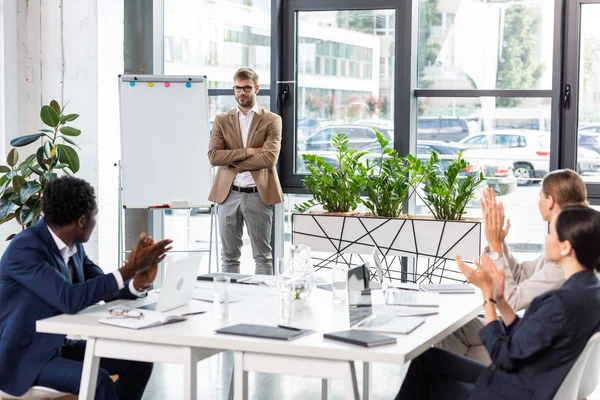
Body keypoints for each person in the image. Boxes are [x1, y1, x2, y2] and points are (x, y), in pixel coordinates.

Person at [396, 205, 600, 400]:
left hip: (513, 391)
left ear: (565, 247)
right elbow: (529, 337)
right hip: (526, 383)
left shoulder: (560, 303)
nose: (546, 239)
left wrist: (488, 295)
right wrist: (501, 301)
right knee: (426, 359)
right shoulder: (590, 290)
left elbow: (503, 355)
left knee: (428, 379)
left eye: (550, 234)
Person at [0, 177, 172, 400]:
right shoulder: (24, 249)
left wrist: (139, 281)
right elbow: (68, 299)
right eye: (95, 216)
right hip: (22, 358)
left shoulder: (73, 247)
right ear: (81, 221)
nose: (95, 221)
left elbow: (104, 287)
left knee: (138, 360)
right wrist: (129, 268)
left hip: (56, 347)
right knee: (97, 379)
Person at [437, 169, 587, 363]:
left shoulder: (566, 260)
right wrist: (498, 243)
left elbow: (512, 301)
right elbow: (520, 275)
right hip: (531, 333)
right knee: (451, 329)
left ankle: (466, 381)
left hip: (534, 352)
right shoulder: (570, 242)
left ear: (550, 201)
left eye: (540, 195)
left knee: (441, 356)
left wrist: (495, 253)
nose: (538, 201)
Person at [208, 67, 284, 275]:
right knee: (229, 257)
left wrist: (232, 161)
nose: (242, 93)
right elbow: (214, 157)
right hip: (228, 194)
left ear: (256, 89)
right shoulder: (222, 119)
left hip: (258, 195)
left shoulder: (271, 120)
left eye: (247, 88)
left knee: (262, 257)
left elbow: (269, 158)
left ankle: (263, 304)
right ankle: (231, 304)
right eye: (238, 88)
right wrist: (249, 151)